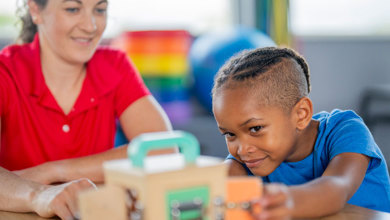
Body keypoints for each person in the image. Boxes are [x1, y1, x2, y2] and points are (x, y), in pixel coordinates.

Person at [0, 0, 172, 219]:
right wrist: (39, 194)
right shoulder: (5, 71)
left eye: (99, 10)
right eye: (73, 9)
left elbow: (164, 150)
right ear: (35, 10)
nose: (91, 26)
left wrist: (52, 171)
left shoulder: (115, 65)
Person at [212, 47, 390, 219]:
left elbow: (337, 188)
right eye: (229, 134)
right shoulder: (252, 155)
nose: (242, 150)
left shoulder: (345, 130)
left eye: (255, 129)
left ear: (301, 114)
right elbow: (226, 180)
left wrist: (288, 201)